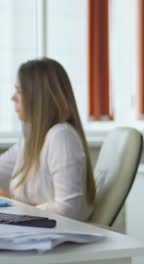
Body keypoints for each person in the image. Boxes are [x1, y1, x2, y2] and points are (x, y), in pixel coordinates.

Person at [0, 58, 95, 221]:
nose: (13, 98)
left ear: (38, 96)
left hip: (58, 236)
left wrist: (24, 209)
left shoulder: (61, 137)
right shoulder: (31, 139)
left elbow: (69, 210)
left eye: (19, 91)